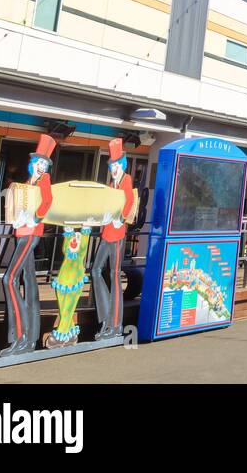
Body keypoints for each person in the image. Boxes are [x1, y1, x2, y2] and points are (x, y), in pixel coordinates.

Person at [2, 136, 54, 357]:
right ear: (33, 164)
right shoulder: (28, 182)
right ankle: (28, 336)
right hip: (22, 231)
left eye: (44, 164)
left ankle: (20, 335)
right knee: (28, 280)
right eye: (39, 163)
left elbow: (47, 201)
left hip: (30, 233)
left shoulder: (43, 181)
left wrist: (35, 217)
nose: (41, 167)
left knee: (9, 279)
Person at [92, 138, 136, 341]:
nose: (114, 169)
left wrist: (120, 218)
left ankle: (115, 323)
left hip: (117, 234)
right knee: (96, 270)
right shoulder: (112, 182)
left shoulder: (126, 180)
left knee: (115, 274)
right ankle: (106, 318)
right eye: (112, 166)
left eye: (117, 165)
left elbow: (129, 201)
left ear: (123, 165)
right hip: (106, 233)